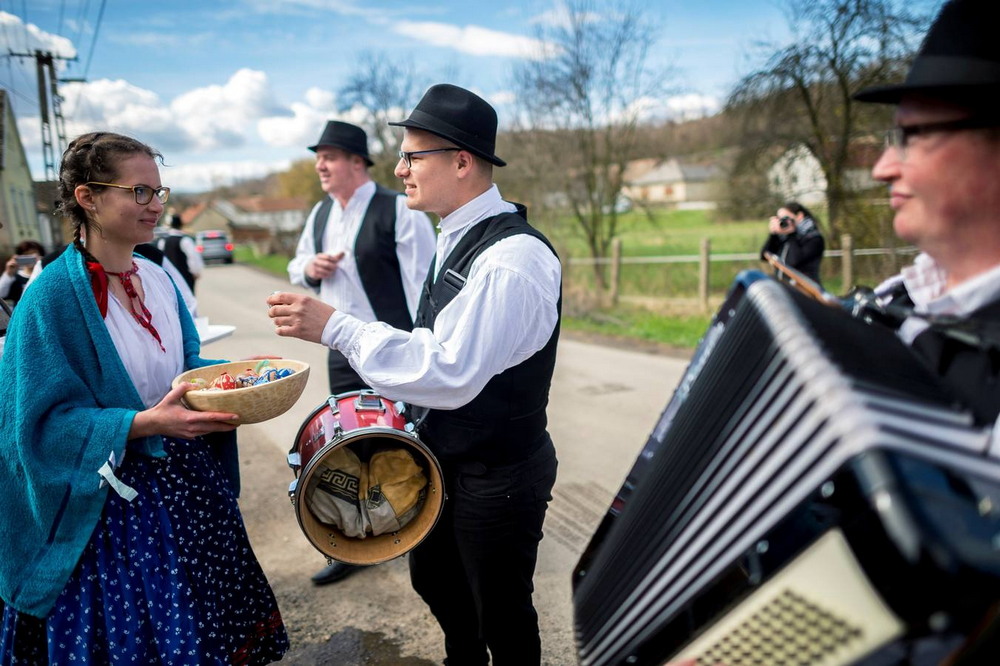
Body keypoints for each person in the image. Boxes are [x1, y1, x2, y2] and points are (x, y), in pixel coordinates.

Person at [268, 84, 561, 665]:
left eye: (413, 155)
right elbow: (430, 340)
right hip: (449, 457)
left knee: (501, 609)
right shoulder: (453, 231)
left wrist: (339, 327)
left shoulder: (512, 260)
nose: (399, 168)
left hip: (497, 471)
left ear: (460, 161)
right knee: (438, 583)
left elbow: (450, 370)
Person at [0, 131, 289, 664]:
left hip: (187, 483)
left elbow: (182, 371)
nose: (156, 206)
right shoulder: (51, 299)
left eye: (159, 192)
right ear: (87, 198)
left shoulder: (157, 278)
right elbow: (34, 428)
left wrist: (238, 381)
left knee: (209, 628)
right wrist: (141, 424)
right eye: (139, 192)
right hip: (109, 506)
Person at [287, 119, 436, 586]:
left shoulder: (400, 209)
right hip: (339, 351)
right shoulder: (320, 215)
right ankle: (355, 541)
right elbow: (296, 266)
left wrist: (419, 349)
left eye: (328, 157)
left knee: (403, 439)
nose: (320, 166)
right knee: (346, 445)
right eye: (318, 158)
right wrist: (309, 266)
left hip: (392, 346)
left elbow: (423, 289)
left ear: (357, 162)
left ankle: (416, 528)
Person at [759, 201, 825, 285]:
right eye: (780, 219)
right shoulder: (784, 238)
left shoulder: (814, 238)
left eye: (785, 219)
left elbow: (793, 262)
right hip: (784, 288)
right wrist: (773, 235)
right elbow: (764, 256)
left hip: (805, 289)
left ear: (799, 216)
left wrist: (791, 234)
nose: (783, 222)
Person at [156, 211, 203, 293]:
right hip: (185, 276)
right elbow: (193, 257)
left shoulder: (163, 241)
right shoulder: (185, 240)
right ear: (181, 225)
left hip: (169, 277)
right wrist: (195, 272)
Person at [0, 239, 44, 306]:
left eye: (33, 253)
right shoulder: (15, 277)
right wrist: (8, 273)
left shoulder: (45, 273)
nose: (29, 256)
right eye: (26, 254)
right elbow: (1, 294)